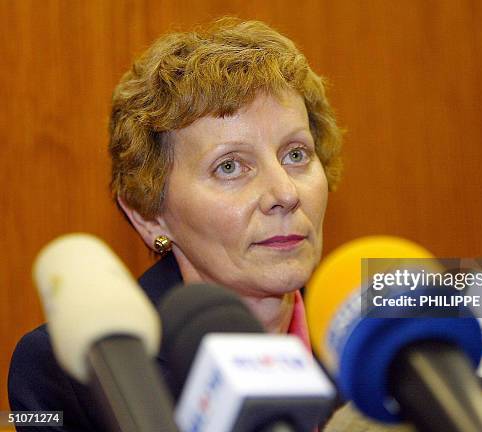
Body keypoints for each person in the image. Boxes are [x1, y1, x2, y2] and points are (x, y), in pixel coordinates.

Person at [8, 17, 342, 431]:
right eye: (230, 166)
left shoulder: (389, 338)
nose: (285, 194)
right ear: (149, 214)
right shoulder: (68, 371)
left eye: (296, 154)